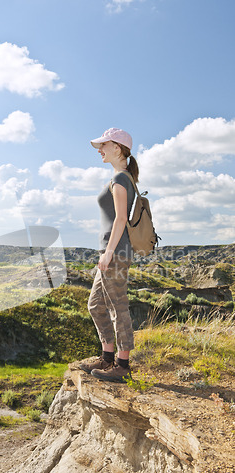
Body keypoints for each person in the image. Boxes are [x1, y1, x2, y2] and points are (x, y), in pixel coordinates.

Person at [79, 128, 139, 382]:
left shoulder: (120, 179)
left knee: (117, 306)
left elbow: (121, 219)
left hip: (115, 252)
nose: (100, 150)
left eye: (104, 145)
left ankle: (122, 366)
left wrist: (109, 252)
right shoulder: (120, 177)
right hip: (112, 251)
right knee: (95, 304)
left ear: (118, 148)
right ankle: (106, 358)